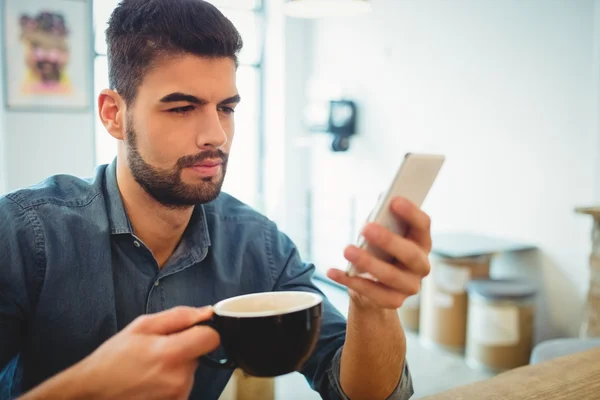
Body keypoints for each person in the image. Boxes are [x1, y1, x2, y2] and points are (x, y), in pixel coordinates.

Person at [0, 1, 432, 399]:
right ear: (114, 114)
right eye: (182, 108)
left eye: (226, 107)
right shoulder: (25, 235)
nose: (216, 135)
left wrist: (373, 305)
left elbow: (356, 390)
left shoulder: (258, 246)